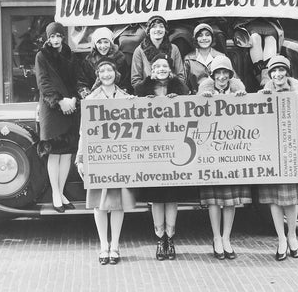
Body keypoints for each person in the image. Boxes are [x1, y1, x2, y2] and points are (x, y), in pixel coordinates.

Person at [75, 57, 136, 265]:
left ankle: (116, 246)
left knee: (117, 204)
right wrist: (81, 158)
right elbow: (84, 131)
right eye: (102, 72)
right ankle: (103, 246)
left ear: (115, 73)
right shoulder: (91, 99)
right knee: (99, 205)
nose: (106, 74)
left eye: (109, 71)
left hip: (118, 157)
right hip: (98, 158)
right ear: (98, 76)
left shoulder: (126, 97)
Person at [258, 55, 298, 261]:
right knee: (274, 199)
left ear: (287, 72)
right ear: (269, 74)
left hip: (291, 151)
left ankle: (292, 235)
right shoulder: (263, 92)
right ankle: (281, 238)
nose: (278, 74)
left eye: (281, 70)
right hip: (272, 153)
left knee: (291, 198)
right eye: (274, 71)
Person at [134, 53, 190, 260]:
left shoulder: (180, 87)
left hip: (175, 150)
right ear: (151, 70)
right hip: (153, 151)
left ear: (170, 68)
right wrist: (141, 101)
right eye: (156, 66)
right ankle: (160, 238)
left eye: (164, 66)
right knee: (156, 198)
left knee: (172, 197)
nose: (161, 69)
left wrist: (181, 100)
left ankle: (171, 237)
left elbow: (190, 109)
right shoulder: (142, 89)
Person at [197, 55, 250, 260]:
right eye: (217, 73)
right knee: (214, 199)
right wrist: (203, 99)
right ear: (213, 75)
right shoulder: (205, 91)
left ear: (229, 75)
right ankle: (216, 237)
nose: (221, 77)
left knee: (230, 200)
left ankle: (227, 237)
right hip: (212, 151)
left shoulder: (236, 91)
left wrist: (243, 98)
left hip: (231, 151)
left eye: (224, 73)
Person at [35, 22, 81, 213]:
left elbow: (77, 80)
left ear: (63, 37)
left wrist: (73, 100)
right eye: (52, 37)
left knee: (67, 153)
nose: (55, 40)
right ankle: (56, 194)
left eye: (58, 36)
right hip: (53, 109)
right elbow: (43, 82)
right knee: (54, 153)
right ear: (48, 38)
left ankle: (61, 193)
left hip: (70, 107)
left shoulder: (70, 55)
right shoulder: (42, 56)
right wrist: (60, 101)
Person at [233, 0, 287, 86]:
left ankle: (267, 74)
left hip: (269, 20)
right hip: (250, 20)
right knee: (255, 38)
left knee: (270, 39)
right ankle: (260, 74)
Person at [131, 15, 185, 91]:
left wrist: (174, 91)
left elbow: (181, 76)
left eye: (161, 26)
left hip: (171, 95)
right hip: (148, 95)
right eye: (154, 27)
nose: (158, 29)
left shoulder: (174, 49)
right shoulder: (139, 50)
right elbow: (135, 80)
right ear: (148, 30)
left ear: (165, 30)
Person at [77, 27, 130, 97]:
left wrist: (121, 95)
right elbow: (82, 83)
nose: (103, 46)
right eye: (99, 42)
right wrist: (87, 95)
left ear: (111, 43)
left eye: (106, 42)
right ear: (95, 44)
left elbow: (126, 82)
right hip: (95, 99)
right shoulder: (88, 61)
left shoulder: (120, 58)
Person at [184, 23, 226, 94]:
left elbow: (233, 80)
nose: (204, 38)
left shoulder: (221, 57)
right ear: (195, 39)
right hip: (197, 100)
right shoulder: (188, 59)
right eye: (200, 35)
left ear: (212, 38)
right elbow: (184, 84)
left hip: (219, 99)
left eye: (207, 35)